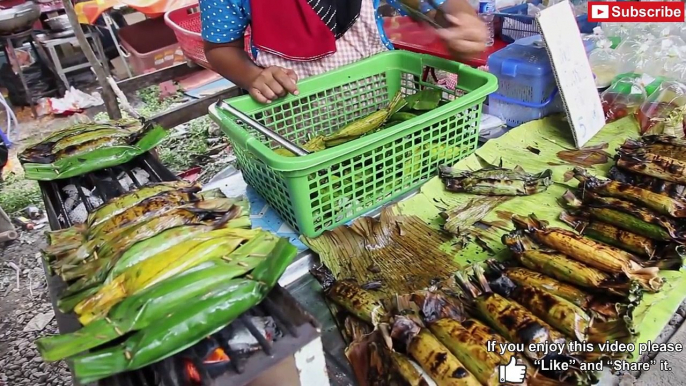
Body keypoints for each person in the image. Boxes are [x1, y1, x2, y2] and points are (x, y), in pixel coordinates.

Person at [201, 0, 488, 104]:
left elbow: (440, 5)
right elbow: (220, 48)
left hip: (379, 104)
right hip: (295, 121)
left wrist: (461, 21)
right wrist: (253, 77)